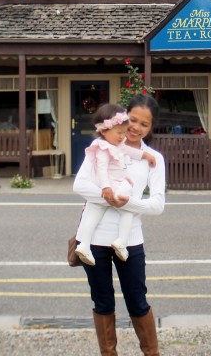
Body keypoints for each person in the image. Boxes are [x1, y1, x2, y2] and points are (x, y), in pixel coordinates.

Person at [73, 94, 165, 356]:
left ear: (151, 127)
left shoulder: (153, 158)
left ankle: (151, 353)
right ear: (124, 117)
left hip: (130, 240)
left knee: (137, 301)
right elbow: (79, 185)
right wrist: (110, 197)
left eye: (144, 124)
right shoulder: (102, 146)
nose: (136, 128)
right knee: (102, 302)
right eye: (133, 120)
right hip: (95, 240)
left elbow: (157, 204)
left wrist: (127, 204)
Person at [74, 103, 157, 266]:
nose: (122, 136)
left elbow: (130, 151)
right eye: (119, 133)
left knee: (94, 214)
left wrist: (145, 155)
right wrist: (106, 188)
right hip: (112, 185)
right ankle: (122, 241)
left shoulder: (117, 145)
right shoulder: (102, 148)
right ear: (104, 131)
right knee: (127, 208)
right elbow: (102, 169)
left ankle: (84, 245)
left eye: (124, 132)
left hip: (106, 187)